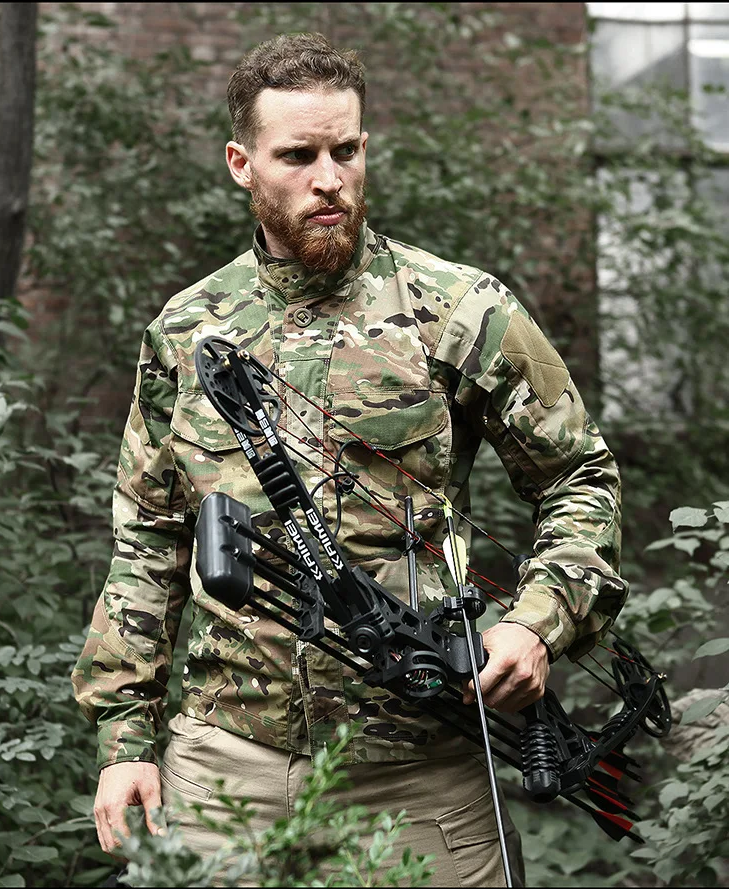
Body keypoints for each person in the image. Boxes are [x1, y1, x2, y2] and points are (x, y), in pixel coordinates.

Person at [72, 32, 628, 887]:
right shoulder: (188, 332)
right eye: (298, 155)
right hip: (227, 769)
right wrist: (124, 740)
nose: (329, 178)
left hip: (422, 774)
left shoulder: (459, 308)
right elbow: (148, 542)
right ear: (242, 164)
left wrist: (535, 620)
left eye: (347, 150)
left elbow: (578, 477)